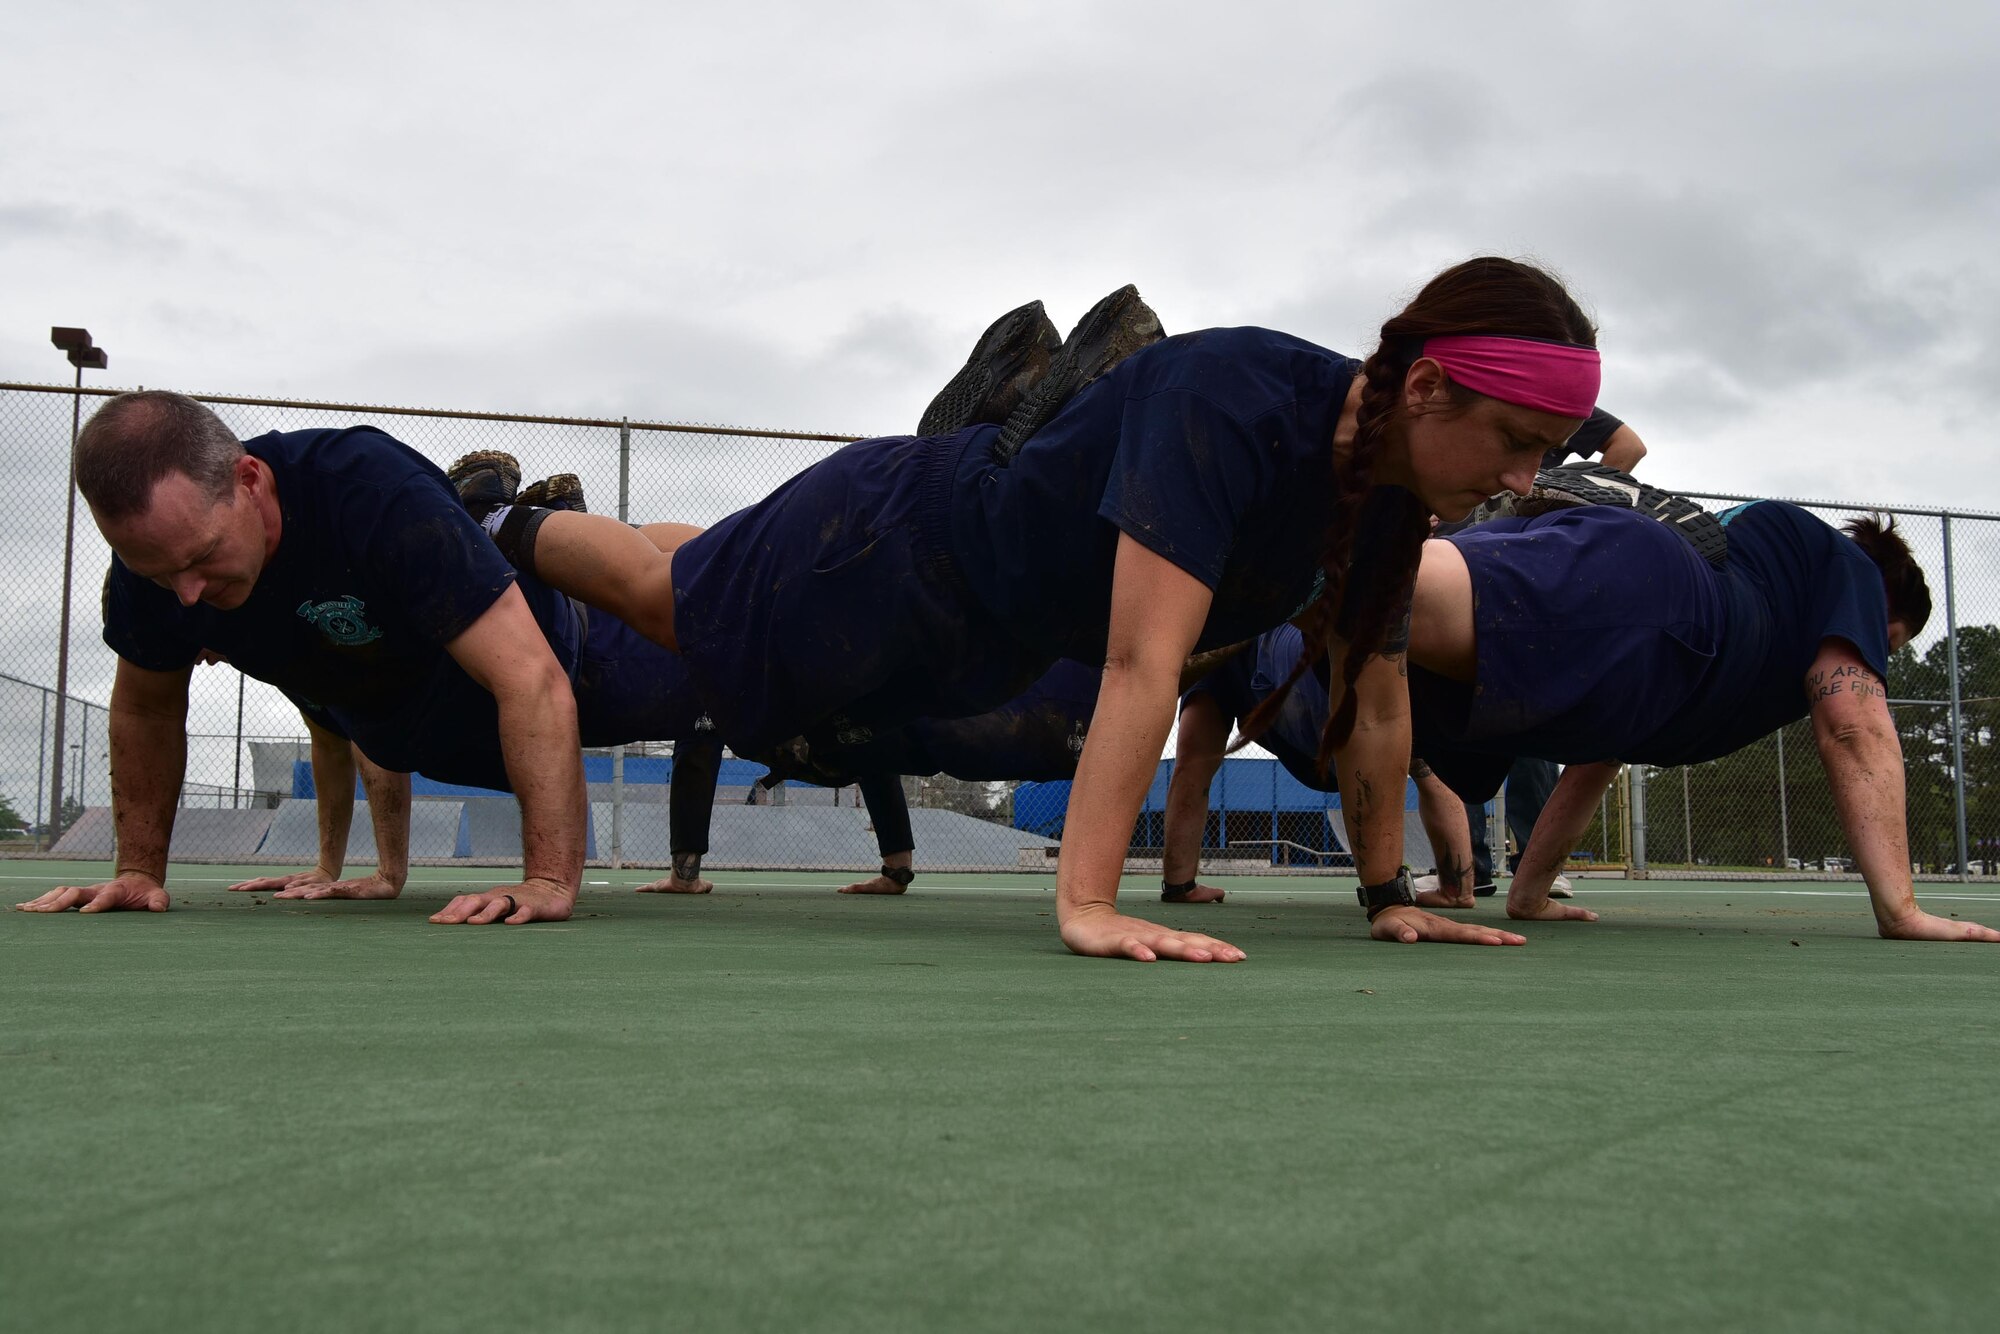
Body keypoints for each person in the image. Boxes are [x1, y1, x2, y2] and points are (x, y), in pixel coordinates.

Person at [467, 257, 1603, 961]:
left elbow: (1378, 708)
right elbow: (1139, 662)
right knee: (672, 607)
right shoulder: (1237, 397)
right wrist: (1089, 904)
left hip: (981, 633)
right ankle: (501, 524)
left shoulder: (1387, 506)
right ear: (1422, 387)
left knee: (709, 584)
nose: (1518, 481)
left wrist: (1386, 898)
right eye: (1513, 442)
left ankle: (1016, 421)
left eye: (1540, 456)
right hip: (890, 549)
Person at [14, 393, 586, 925]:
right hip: (445, 727)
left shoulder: (368, 489)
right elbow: (149, 712)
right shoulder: (172, 571)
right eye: (157, 573)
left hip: (575, 648)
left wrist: (548, 880)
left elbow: (531, 677)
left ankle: (527, 513)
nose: (185, 594)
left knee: (660, 596)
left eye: (203, 556)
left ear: (249, 481)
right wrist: (138, 870)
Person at [1402, 498, 2000, 942]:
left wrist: (1528, 894)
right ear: (1882, 604)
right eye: (1886, 643)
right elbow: (1853, 725)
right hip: (1650, 595)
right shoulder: (1852, 573)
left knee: (1345, 684)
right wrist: (1902, 910)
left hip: (1608, 648)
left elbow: (1600, 751)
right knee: (1385, 596)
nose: (1877, 657)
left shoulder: (1747, 608)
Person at [1162, 624, 1478, 903]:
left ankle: (1439, 889)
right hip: (1300, 675)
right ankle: (1455, 889)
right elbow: (1193, 762)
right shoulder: (1221, 653)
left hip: (1309, 662)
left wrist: (1179, 885)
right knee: (1419, 759)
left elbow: (1192, 765)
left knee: (1416, 756)